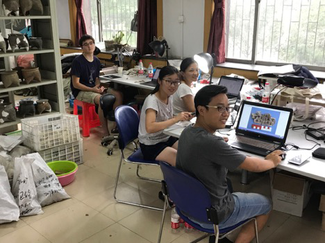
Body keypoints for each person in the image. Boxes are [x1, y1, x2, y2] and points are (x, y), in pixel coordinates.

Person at [176, 85, 285, 243]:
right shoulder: (212, 144)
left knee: (229, 184)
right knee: (266, 203)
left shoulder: (188, 132)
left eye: (228, 107)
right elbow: (253, 166)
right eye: (219, 108)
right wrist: (271, 161)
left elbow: (204, 149)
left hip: (187, 206)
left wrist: (219, 144)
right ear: (201, 110)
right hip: (214, 213)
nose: (226, 113)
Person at [70, 34, 123, 141]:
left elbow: (97, 79)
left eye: (91, 43)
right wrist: (93, 90)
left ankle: (116, 126)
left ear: (94, 45)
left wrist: (99, 88)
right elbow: (76, 84)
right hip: (80, 91)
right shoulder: (78, 61)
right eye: (85, 44)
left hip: (93, 89)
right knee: (102, 100)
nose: (89, 46)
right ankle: (105, 132)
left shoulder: (96, 61)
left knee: (118, 95)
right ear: (82, 48)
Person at [138, 66, 193, 166]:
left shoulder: (169, 96)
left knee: (190, 153)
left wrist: (182, 118)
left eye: (176, 82)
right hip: (151, 144)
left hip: (165, 137)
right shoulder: (152, 101)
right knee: (182, 161)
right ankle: (174, 180)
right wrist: (176, 119)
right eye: (169, 81)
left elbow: (166, 119)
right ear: (159, 81)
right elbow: (150, 127)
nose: (173, 86)